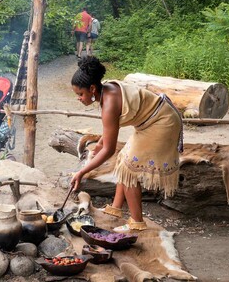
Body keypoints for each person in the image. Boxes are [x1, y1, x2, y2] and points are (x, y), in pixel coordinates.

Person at [69, 56, 183, 232]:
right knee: (124, 159)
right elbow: (108, 135)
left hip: (162, 122)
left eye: (80, 94)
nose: (79, 98)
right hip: (151, 120)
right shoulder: (105, 88)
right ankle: (115, 209)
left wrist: (82, 172)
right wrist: (99, 144)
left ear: (92, 88)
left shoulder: (109, 104)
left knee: (130, 169)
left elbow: (109, 149)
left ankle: (136, 223)